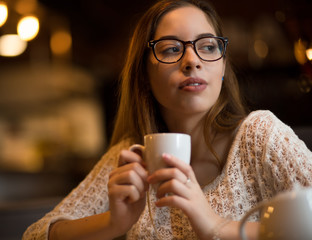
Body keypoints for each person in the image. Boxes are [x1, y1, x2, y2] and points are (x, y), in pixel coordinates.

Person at [22, 0, 312, 239]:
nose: (192, 60)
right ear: (144, 77)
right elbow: (36, 234)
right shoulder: (133, 155)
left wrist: (216, 226)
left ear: (222, 67)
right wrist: (113, 223)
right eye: (172, 49)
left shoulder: (260, 136)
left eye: (208, 46)